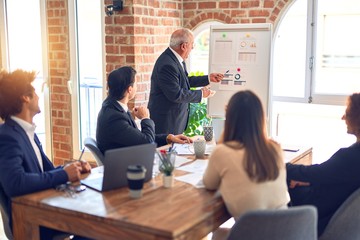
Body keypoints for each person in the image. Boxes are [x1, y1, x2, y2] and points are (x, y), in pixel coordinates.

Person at [0, 69, 92, 240]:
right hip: (31, 221)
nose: (38, 95)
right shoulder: (7, 136)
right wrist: (64, 174)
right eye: (34, 91)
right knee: (98, 228)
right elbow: (15, 183)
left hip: (46, 208)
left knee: (97, 224)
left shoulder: (29, 132)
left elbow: (47, 172)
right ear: (25, 97)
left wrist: (72, 168)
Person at [203, 90, 290, 240]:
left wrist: (227, 129)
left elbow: (209, 183)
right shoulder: (275, 148)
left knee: (217, 234)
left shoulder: (222, 152)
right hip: (285, 232)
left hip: (253, 235)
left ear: (229, 119)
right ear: (261, 118)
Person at [287, 92, 360, 236]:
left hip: (316, 218)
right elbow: (331, 176)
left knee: (280, 183)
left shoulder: (350, 157)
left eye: (347, 114)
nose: (343, 117)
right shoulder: (353, 158)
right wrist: (309, 182)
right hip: (330, 210)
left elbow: (315, 173)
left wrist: (279, 166)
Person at [96, 66, 192, 154]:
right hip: (125, 167)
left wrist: (169, 138)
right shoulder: (114, 117)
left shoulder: (115, 107)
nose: (137, 87)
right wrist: (145, 118)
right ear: (130, 89)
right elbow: (147, 144)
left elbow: (139, 138)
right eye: (136, 84)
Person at [148, 28, 224, 135]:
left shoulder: (176, 59)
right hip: (166, 124)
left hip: (175, 121)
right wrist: (202, 94)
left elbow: (185, 81)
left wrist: (208, 78)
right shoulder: (167, 64)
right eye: (192, 44)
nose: (193, 47)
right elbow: (176, 94)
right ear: (184, 46)